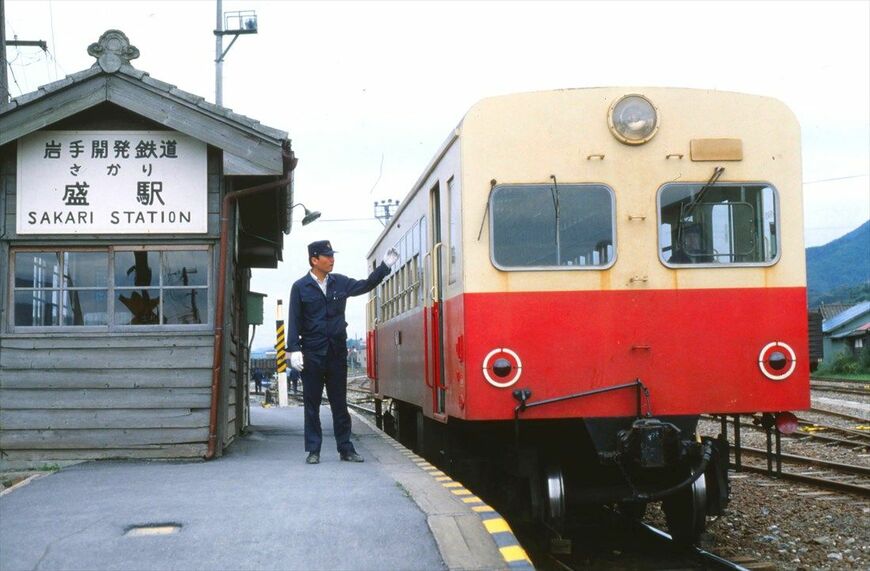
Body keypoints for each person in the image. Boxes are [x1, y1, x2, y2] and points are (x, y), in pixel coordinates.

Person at [288, 240, 398, 464]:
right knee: (312, 404)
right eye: (327, 256)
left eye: (332, 256)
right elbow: (294, 320)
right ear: (314, 260)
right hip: (312, 355)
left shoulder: (340, 283)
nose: (332, 260)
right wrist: (293, 350)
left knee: (340, 403)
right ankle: (313, 450)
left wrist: (385, 267)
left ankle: (346, 449)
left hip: (336, 354)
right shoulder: (300, 287)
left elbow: (365, 285)